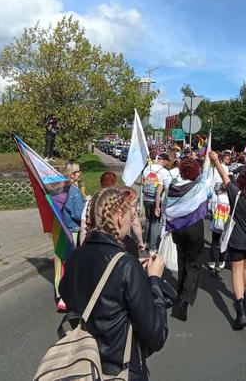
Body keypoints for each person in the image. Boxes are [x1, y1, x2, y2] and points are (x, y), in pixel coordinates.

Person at [59, 188, 169, 381]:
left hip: (83, 365)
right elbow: (156, 335)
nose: (132, 221)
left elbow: (71, 296)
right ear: (119, 217)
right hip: (119, 370)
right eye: (131, 215)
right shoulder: (126, 265)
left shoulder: (75, 257)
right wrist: (154, 279)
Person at [210, 151, 246, 330]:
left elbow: (224, 176)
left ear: (242, 183)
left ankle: (240, 309)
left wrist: (216, 160)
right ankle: (244, 295)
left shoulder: (237, 195)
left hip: (236, 239)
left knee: (236, 271)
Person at [166, 157, 207, 322]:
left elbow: (166, 206)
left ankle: (179, 293)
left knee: (182, 260)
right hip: (194, 228)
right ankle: (184, 300)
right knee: (194, 263)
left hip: (177, 228)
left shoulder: (173, 187)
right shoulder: (199, 186)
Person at [78, 172, 144, 251]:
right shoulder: (121, 200)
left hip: (93, 243)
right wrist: (140, 242)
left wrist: (82, 248)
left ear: (100, 183)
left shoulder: (92, 201)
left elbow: (83, 228)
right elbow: (136, 223)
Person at [55, 162, 86, 311]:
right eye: (78, 171)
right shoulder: (73, 191)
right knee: (72, 264)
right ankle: (66, 298)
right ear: (72, 174)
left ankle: (62, 294)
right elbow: (78, 213)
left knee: (64, 262)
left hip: (64, 228)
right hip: (73, 230)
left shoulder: (63, 189)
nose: (80, 174)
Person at [141, 153, 172, 252]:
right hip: (157, 200)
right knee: (155, 223)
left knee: (147, 220)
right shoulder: (164, 172)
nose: (168, 164)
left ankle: (145, 242)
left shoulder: (147, 168)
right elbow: (167, 187)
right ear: (164, 160)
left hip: (146, 198)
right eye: (168, 161)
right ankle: (152, 247)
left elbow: (143, 181)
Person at [207, 183, 229, 274]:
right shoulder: (229, 199)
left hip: (216, 223)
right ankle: (221, 261)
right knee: (224, 242)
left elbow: (209, 208)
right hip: (225, 224)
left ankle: (212, 262)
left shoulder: (215, 198)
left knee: (214, 242)